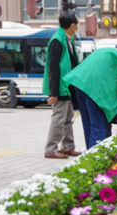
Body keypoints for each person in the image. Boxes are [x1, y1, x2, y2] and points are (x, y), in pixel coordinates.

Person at [43, 11, 81, 159]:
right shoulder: (57, 40)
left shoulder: (67, 39)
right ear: (72, 25)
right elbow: (52, 69)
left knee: (68, 119)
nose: (78, 26)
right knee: (59, 119)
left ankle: (67, 147)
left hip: (68, 85)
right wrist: (53, 93)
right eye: (77, 23)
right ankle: (50, 149)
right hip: (60, 86)